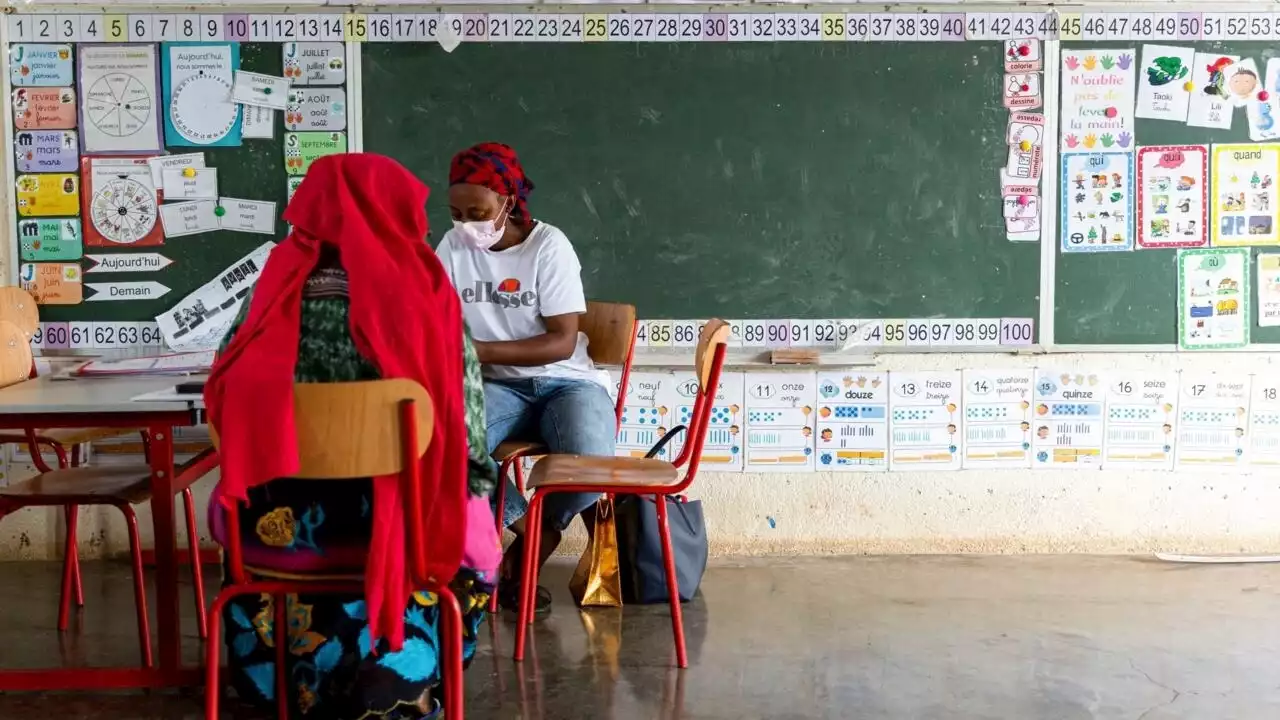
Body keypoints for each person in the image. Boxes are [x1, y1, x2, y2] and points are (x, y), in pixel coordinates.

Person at [204, 153, 500, 720]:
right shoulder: (427, 297)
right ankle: (401, 676)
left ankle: (286, 684)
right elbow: (469, 440)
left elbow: (222, 400)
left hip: (270, 539)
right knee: (479, 533)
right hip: (398, 531)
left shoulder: (269, 293)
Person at [435, 142, 616, 613]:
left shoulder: (548, 246)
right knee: (441, 444)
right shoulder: (452, 247)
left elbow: (560, 340)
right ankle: (535, 530)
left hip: (567, 381)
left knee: (592, 469)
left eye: (477, 211)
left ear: (508, 202)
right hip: (494, 385)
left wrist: (477, 351)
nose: (464, 224)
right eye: (455, 212)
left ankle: (528, 547)